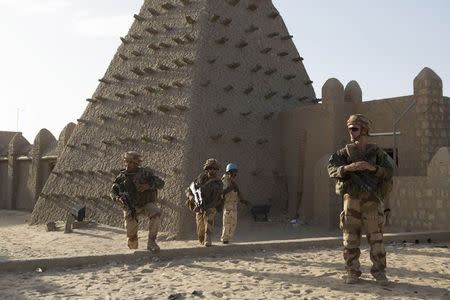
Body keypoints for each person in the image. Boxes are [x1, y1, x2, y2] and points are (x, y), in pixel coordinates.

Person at [327, 114, 394, 285]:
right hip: (352, 201)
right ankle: (352, 272)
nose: (351, 132)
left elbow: (389, 172)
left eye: (354, 128)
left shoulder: (376, 152)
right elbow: (331, 169)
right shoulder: (345, 152)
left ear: (364, 130)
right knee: (350, 239)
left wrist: (372, 168)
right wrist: (347, 168)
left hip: (371, 201)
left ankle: (379, 272)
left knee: (376, 239)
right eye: (349, 128)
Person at [110, 151, 165, 252]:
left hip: (145, 204)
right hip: (130, 207)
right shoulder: (121, 177)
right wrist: (118, 199)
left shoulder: (145, 173)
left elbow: (161, 183)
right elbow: (113, 192)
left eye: (131, 162)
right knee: (132, 237)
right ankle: (133, 247)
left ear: (137, 163)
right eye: (127, 162)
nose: (128, 164)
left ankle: (151, 242)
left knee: (156, 213)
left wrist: (148, 186)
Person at [186, 158, 223, 247]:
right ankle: (202, 240)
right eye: (210, 168)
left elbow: (216, 199)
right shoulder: (199, 179)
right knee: (200, 229)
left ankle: (208, 238)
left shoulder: (218, 183)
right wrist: (191, 198)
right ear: (206, 169)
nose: (212, 171)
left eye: (214, 169)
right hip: (199, 206)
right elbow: (188, 190)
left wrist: (206, 207)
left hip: (210, 205)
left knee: (209, 219)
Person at [220, 163, 249, 244]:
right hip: (228, 205)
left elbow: (237, 192)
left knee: (233, 223)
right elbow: (222, 192)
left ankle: (227, 239)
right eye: (234, 172)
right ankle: (224, 239)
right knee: (227, 223)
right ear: (229, 171)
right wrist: (230, 188)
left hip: (233, 205)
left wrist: (243, 200)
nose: (235, 173)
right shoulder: (225, 180)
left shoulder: (232, 181)